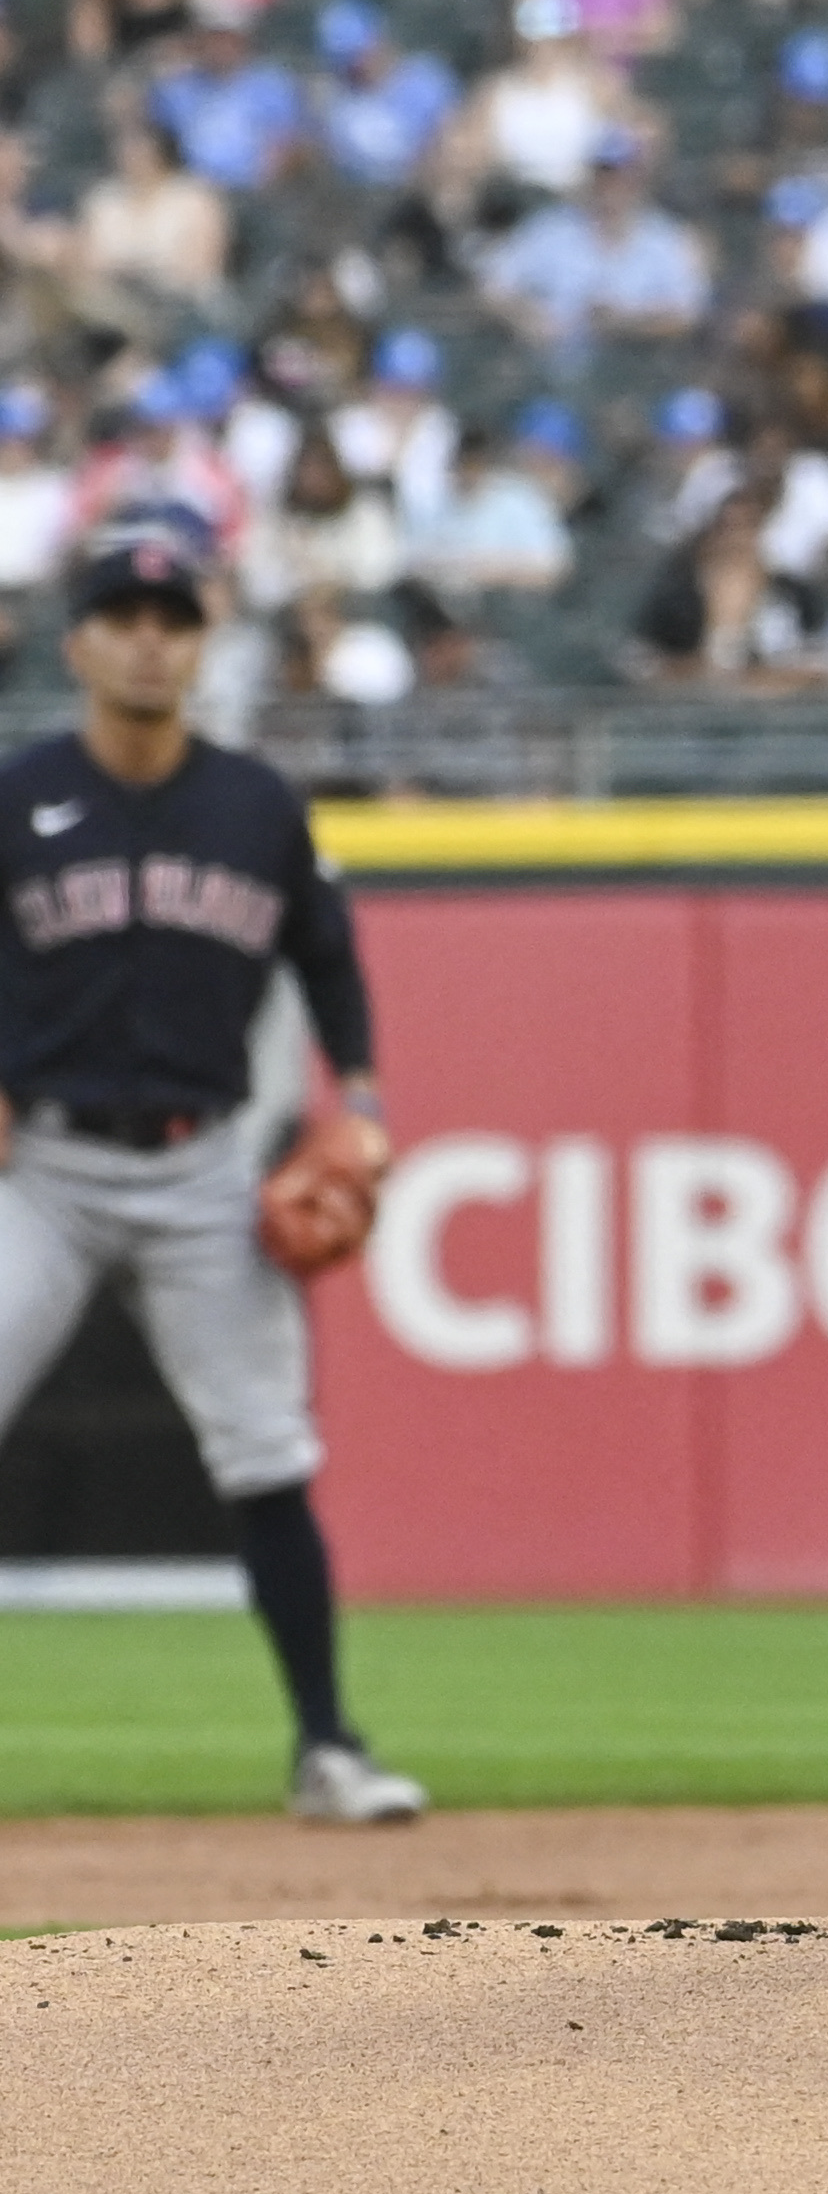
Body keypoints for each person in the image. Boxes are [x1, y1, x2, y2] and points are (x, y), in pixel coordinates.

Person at [0, 520, 417, 1822]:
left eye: (172, 617)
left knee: (267, 1455)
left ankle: (329, 1748)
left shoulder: (256, 803)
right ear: (79, 640)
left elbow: (330, 959)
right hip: (48, 1170)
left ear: (202, 639)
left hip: (205, 1175)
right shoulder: (18, 796)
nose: (147, 635)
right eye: (123, 612)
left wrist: (356, 1105)